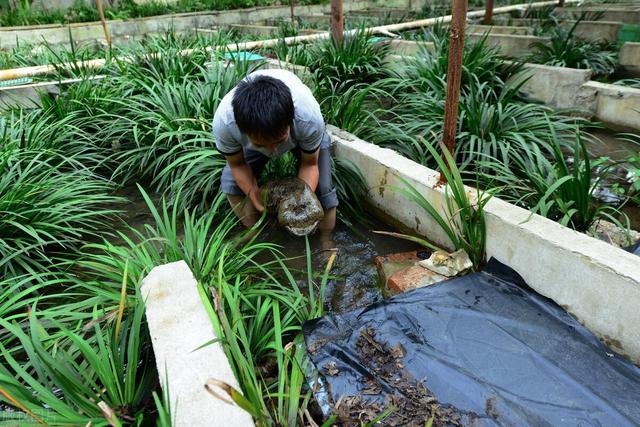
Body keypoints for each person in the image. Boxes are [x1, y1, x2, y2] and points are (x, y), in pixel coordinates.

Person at [212, 68, 338, 237]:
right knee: (230, 183)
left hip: (300, 136)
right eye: (262, 145)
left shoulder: (307, 117)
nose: (273, 151)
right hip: (263, 136)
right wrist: (256, 199)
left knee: (324, 188)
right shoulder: (225, 123)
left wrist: (299, 199)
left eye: (279, 141)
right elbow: (237, 164)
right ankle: (253, 233)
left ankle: (326, 242)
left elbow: (310, 163)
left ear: (290, 120)